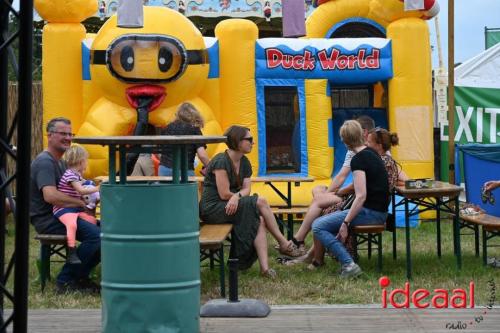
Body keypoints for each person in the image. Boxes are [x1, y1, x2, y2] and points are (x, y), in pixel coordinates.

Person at [199, 125, 301, 278]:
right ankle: (283, 243)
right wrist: (235, 196)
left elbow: (247, 189)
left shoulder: (244, 162)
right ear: (237, 141)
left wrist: (236, 196)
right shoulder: (221, 161)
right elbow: (223, 193)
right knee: (260, 201)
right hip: (214, 208)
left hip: (231, 204)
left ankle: (265, 269)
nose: (252, 143)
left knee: (259, 220)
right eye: (249, 140)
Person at [30, 117, 100, 294]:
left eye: (70, 134)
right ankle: (66, 281)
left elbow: (75, 187)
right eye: (63, 133)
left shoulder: (62, 162)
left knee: (109, 234)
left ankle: (80, 277)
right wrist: (81, 202)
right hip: (49, 219)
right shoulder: (45, 162)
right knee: (97, 237)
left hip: (66, 214)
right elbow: (50, 196)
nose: (68, 137)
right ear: (50, 135)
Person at [311, 120, 390, 278]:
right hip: (380, 210)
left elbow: (361, 196)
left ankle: (348, 264)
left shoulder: (358, 160)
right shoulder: (371, 153)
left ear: (345, 141)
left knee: (318, 226)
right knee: (327, 223)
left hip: (370, 213)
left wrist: (345, 223)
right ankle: (343, 261)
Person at [288, 115, 375, 253]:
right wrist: (329, 192)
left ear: (363, 132)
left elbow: (357, 188)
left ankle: (299, 241)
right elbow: (341, 176)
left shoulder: (364, 154)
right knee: (318, 190)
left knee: (318, 201)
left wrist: (336, 193)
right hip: (356, 196)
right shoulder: (356, 152)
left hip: (358, 200)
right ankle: (309, 249)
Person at [53, 145, 100, 265]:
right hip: (63, 209)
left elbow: (84, 183)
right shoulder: (70, 175)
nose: (87, 163)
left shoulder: (76, 175)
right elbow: (81, 190)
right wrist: (97, 188)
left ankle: (87, 252)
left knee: (92, 220)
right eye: (86, 160)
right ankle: (71, 251)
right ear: (80, 161)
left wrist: (90, 184)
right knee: (72, 225)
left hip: (73, 209)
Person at [159, 103, 210, 176]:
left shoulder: (167, 128)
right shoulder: (194, 130)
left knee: (166, 187)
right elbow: (202, 155)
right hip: (185, 171)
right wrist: (211, 167)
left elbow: (159, 152)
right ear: (194, 114)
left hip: (164, 169)